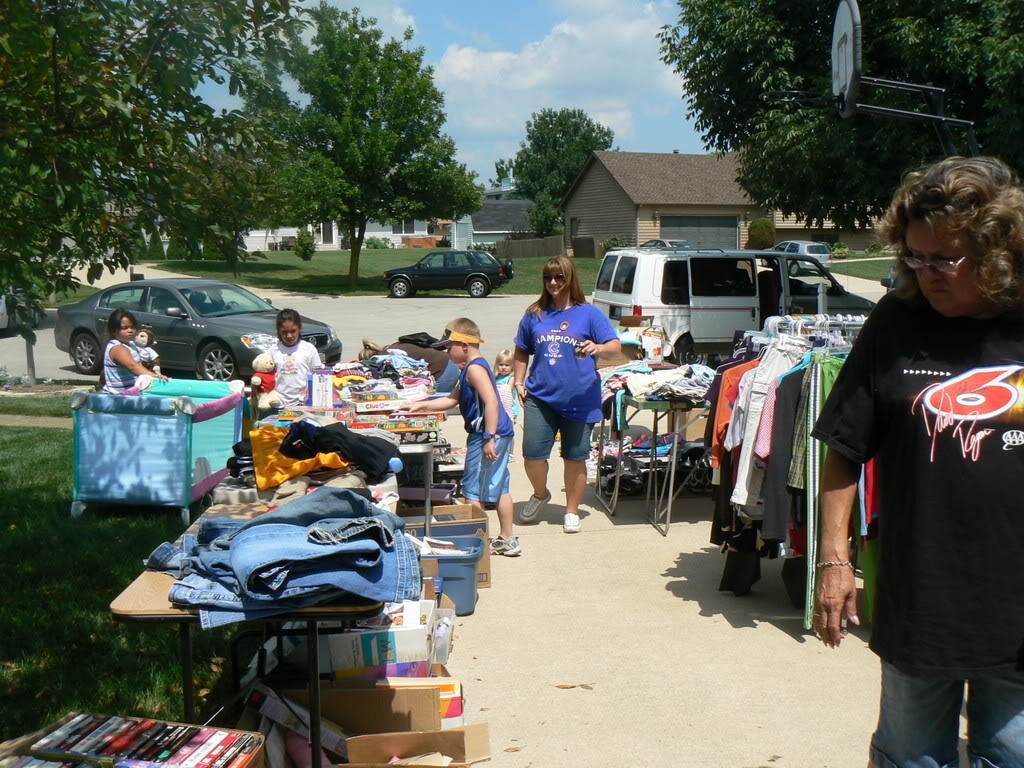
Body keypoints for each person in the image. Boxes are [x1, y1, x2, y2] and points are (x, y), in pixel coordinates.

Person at [812, 156, 1024, 768]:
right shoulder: (895, 323)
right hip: (923, 598)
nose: (926, 273)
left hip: (1018, 602)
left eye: (944, 260)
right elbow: (845, 447)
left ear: (996, 251)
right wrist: (835, 560)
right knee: (911, 758)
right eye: (914, 257)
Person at [512, 255, 620, 533]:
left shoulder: (589, 313)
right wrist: (518, 381)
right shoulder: (535, 313)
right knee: (532, 454)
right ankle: (540, 494)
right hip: (540, 396)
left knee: (575, 456)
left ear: (570, 278)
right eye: (548, 277)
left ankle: (571, 510)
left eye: (559, 277)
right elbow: (522, 349)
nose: (553, 282)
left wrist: (598, 348)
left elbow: (615, 346)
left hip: (580, 398)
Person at [400, 318, 520, 556]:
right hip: (498, 432)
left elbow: (492, 402)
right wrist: (420, 405)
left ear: (464, 344)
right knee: (500, 486)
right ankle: (508, 539)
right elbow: (452, 400)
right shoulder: (470, 368)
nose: (446, 351)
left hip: (486, 434)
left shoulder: (474, 369)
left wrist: (489, 437)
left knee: (472, 492)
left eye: (449, 346)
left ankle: (478, 546)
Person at [361, 326, 461, 393]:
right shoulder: (394, 347)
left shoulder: (387, 360)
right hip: (449, 364)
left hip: (443, 370)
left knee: (429, 404)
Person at [101, 309, 168, 394]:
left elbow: (139, 365)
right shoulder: (117, 348)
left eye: (132, 327)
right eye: (124, 328)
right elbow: (133, 366)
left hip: (132, 392)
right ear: (114, 331)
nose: (130, 330)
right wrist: (155, 377)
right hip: (118, 396)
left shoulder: (131, 344)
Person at [271, 308, 322, 407]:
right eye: (284, 332)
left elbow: (319, 376)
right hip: (279, 404)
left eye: (293, 331)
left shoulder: (308, 349)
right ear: (278, 331)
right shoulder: (273, 350)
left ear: (299, 328)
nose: (289, 335)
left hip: (303, 403)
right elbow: (267, 376)